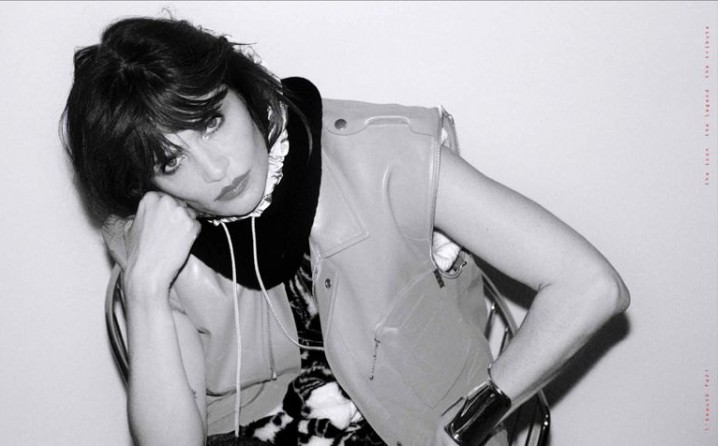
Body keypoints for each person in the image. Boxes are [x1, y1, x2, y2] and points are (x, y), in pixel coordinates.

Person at [62, 16, 630, 446]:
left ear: (242, 87)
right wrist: (144, 289)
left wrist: (468, 425)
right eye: (169, 161)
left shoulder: (385, 155)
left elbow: (590, 286)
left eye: (211, 122)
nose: (214, 170)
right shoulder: (158, 243)